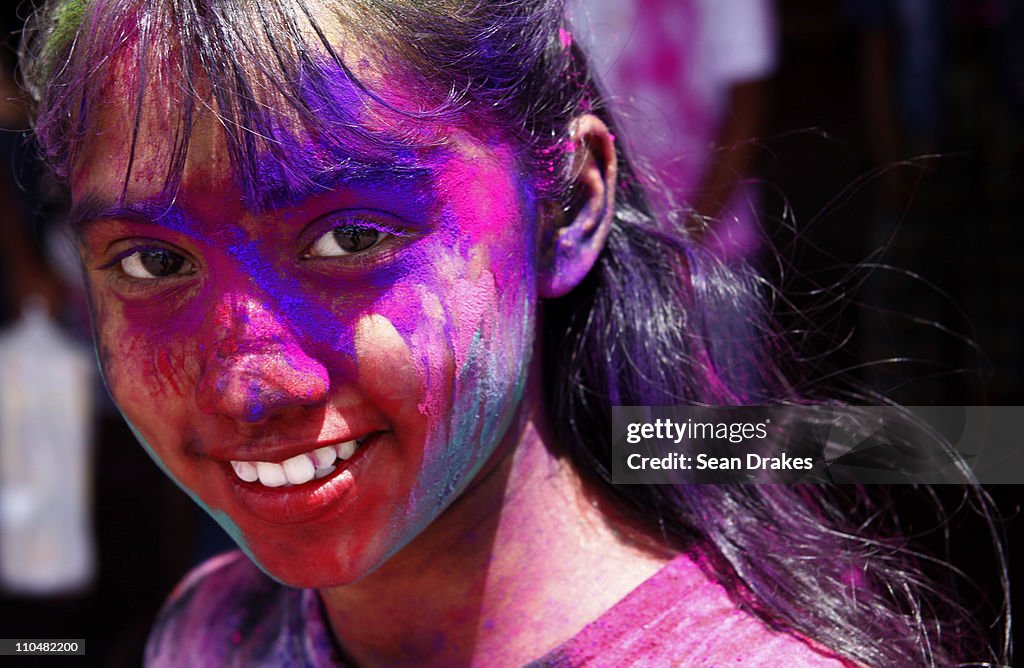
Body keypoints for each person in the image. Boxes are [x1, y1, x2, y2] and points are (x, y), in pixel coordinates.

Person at [18, 0, 1005, 666]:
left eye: (352, 234)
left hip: (704, 274)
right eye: (151, 260)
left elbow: (745, 94)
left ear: (572, 199)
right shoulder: (207, 627)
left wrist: (687, 239)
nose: (247, 387)